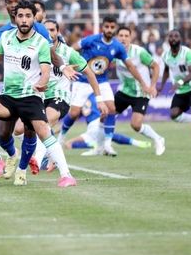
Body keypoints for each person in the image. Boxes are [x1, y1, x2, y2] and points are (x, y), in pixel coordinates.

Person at [0, 0, 79, 179]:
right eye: (16, 10)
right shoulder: (4, 35)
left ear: (33, 17)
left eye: (26, 15)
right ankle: (5, 157)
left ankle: (55, 174)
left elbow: (48, 63)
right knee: (0, 130)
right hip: (9, 95)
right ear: (7, 8)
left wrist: (58, 71)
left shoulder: (40, 38)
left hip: (31, 96)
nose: (21, 17)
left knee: (39, 132)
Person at [21, 18, 107, 174]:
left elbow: (90, 74)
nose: (49, 33)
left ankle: (37, 160)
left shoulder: (68, 52)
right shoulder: (34, 49)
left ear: (58, 32)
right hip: (38, 97)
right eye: (45, 30)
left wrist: (100, 99)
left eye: (52, 30)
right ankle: (51, 151)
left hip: (60, 97)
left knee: (43, 123)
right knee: (19, 130)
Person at [61, 16, 152, 156]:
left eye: (112, 27)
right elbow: (73, 48)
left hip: (102, 81)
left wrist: (144, 84)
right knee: (73, 113)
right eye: (107, 27)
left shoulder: (117, 46)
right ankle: (60, 138)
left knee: (111, 109)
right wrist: (67, 64)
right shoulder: (91, 40)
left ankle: (107, 145)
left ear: (114, 29)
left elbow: (131, 66)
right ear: (103, 27)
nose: (109, 29)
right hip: (83, 80)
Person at [82, 26, 165, 156]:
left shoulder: (139, 52)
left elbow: (155, 66)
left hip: (141, 93)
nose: (123, 38)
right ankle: (100, 147)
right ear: (116, 37)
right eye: (121, 36)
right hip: (124, 91)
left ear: (130, 38)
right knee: (104, 115)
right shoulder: (114, 52)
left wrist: (153, 86)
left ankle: (158, 139)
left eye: (126, 36)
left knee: (136, 125)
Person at [62, 94, 151, 153]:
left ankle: (94, 144)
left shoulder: (82, 100)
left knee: (69, 144)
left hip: (95, 124)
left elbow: (72, 117)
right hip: (94, 127)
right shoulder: (98, 95)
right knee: (107, 135)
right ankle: (96, 144)